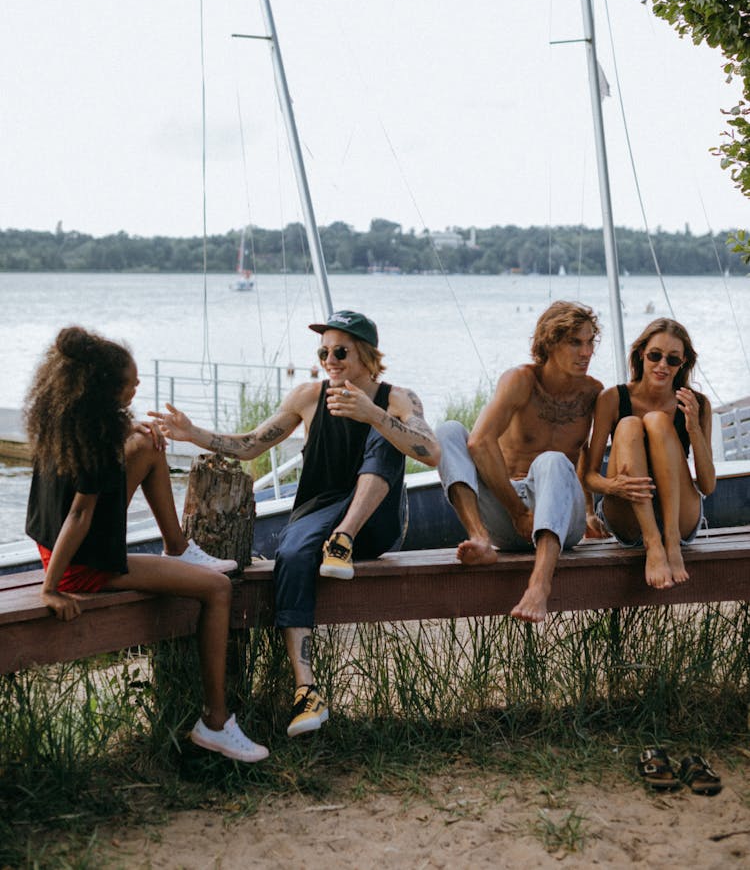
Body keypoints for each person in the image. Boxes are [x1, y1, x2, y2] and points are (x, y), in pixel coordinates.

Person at [149, 309, 440, 738]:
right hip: (319, 514)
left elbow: (431, 453)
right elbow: (250, 445)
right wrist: (193, 433)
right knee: (290, 552)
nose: (330, 359)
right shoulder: (307, 396)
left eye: (340, 351)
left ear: (366, 355)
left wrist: (373, 415)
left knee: (387, 432)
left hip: (372, 524)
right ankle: (307, 692)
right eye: (323, 351)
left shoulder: (398, 398)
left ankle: (345, 537)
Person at [24, 326, 269, 764]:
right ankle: (215, 723)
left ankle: (177, 547)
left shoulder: (66, 417)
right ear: (106, 388)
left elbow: (80, 505)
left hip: (58, 543)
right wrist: (51, 587)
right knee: (218, 591)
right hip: (82, 564)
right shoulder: (98, 442)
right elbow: (80, 516)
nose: (138, 387)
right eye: (131, 384)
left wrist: (128, 429)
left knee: (149, 445)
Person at [436, 301, 606, 624]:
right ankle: (479, 538)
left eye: (589, 343)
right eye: (575, 342)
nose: (586, 352)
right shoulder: (521, 381)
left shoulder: (594, 393)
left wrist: (587, 511)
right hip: (508, 512)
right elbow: (479, 442)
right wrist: (517, 511)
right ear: (550, 342)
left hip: (559, 523)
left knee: (553, 461)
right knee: (448, 433)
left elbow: (583, 457)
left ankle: (539, 586)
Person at [584, 317, 714, 590]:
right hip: (628, 514)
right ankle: (654, 544)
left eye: (673, 360)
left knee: (656, 421)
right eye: (655, 355)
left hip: (680, 518)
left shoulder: (696, 404)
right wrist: (612, 485)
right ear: (642, 353)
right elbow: (589, 476)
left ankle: (670, 541)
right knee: (630, 424)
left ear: (683, 364)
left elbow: (707, 485)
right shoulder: (612, 399)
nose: (662, 366)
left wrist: (693, 430)